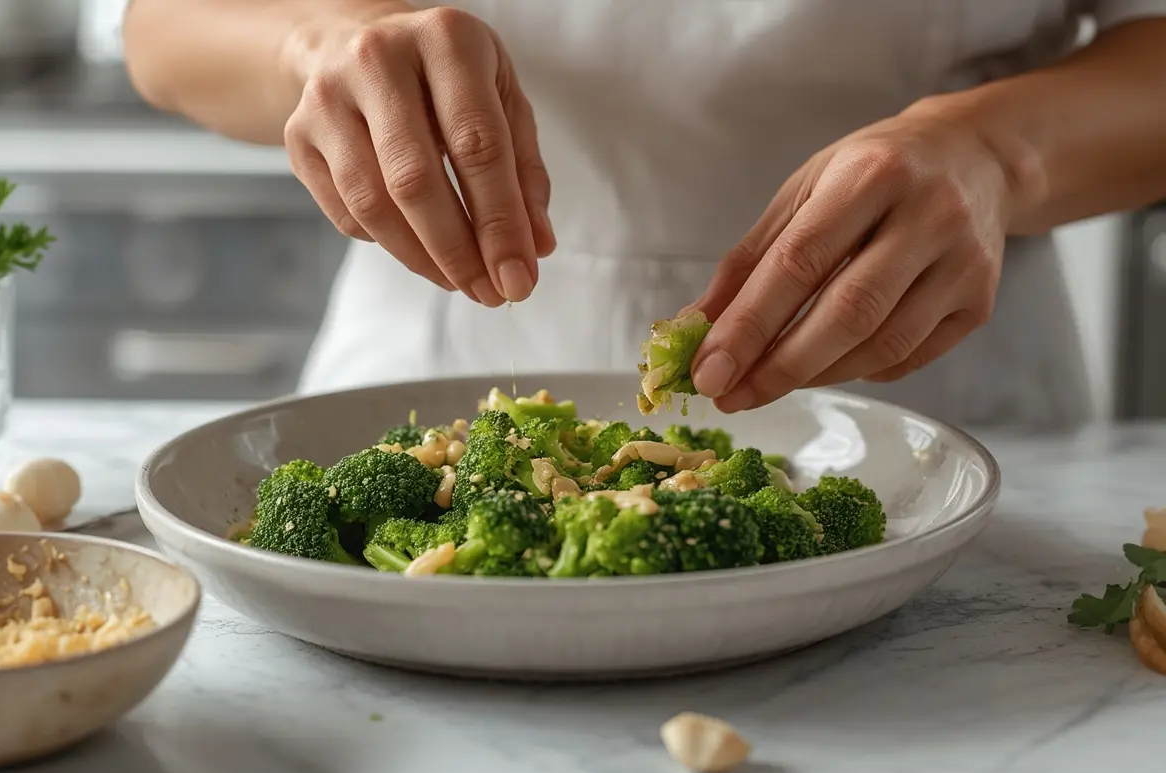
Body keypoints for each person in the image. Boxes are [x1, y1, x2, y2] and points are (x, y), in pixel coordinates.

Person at [123, 1, 1166, 430]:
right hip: (429, 365)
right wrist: (316, 43)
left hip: (941, 390)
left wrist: (993, 151)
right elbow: (159, 24)